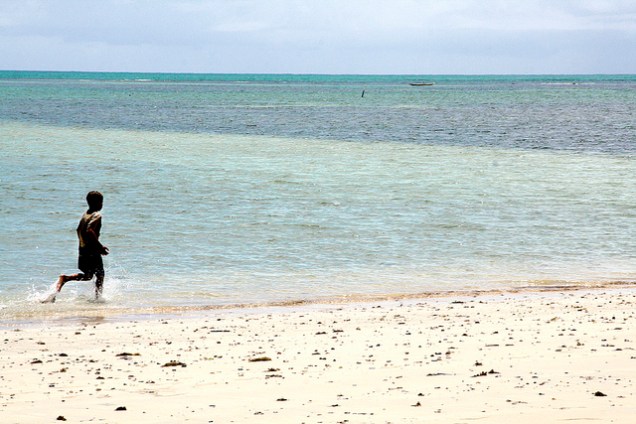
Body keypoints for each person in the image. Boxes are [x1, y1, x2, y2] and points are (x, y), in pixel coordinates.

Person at [56, 191, 109, 299]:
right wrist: (100, 247)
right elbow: (89, 231)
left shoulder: (85, 215)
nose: (102, 205)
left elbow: (79, 230)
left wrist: (82, 246)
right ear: (98, 203)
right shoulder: (96, 216)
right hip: (92, 251)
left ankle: (66, 278)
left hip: (83, 250)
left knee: (88, 276)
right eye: (101, 202)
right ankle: (98, 299)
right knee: (100, 275)